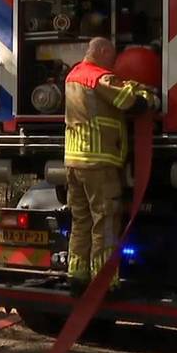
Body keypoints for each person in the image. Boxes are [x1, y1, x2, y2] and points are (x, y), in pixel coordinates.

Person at [64, 37, 154, 296]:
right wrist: (147, 96)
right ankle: (104, 281)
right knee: (105, 221)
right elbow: (129, 102)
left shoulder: (73, 75)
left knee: (81, 220)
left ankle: (77, 276)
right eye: (112, 56)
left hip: (73, 161)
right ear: (102, 51)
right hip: (98, 162)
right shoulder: (98, 78)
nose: (114, 63)